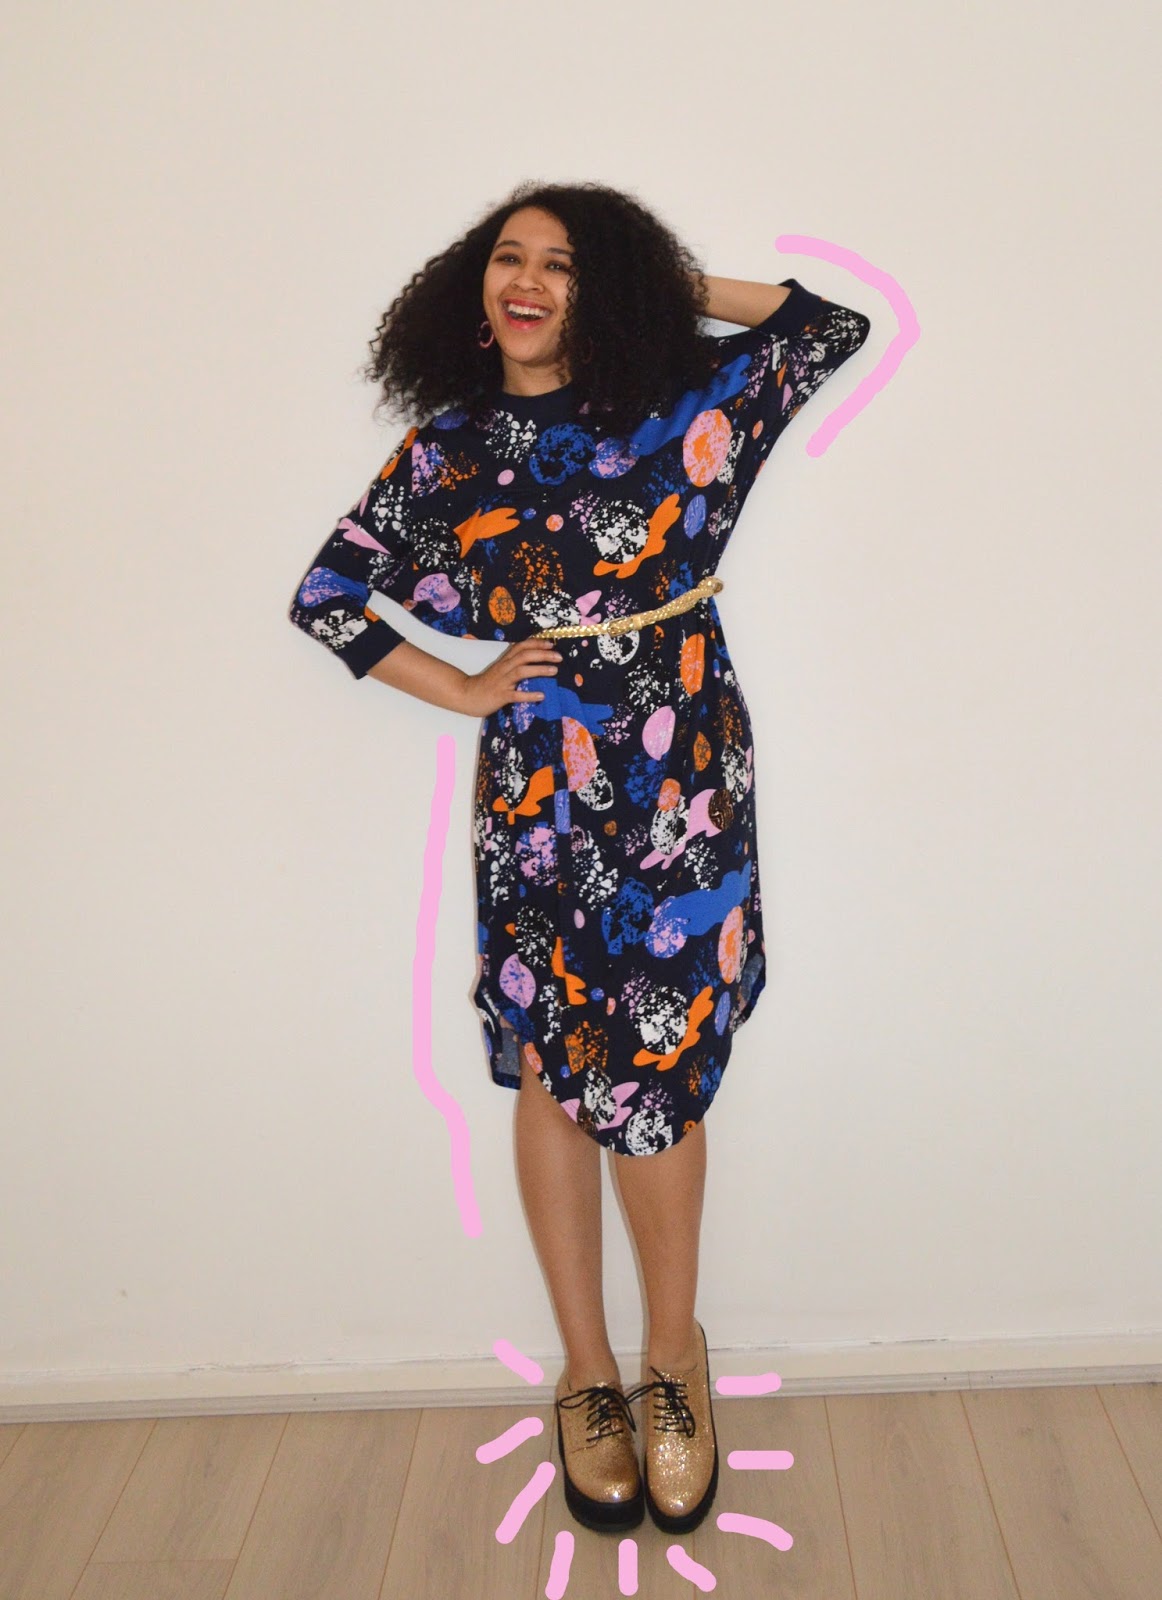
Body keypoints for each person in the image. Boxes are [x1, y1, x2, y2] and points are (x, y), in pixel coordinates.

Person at [287, 181, 871, 1535]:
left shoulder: (678, 410)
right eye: (510, 258)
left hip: (678, 778)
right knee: (558, 1066)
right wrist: (461, 686)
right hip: (539, 791)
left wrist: (651, 283)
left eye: (562, 264)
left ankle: (674, 1361)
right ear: (472, 285)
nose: (529, 282)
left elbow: (824, 326)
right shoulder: (450, 448)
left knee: (652, 1077)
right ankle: (587, 1375)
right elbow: (327, 596)